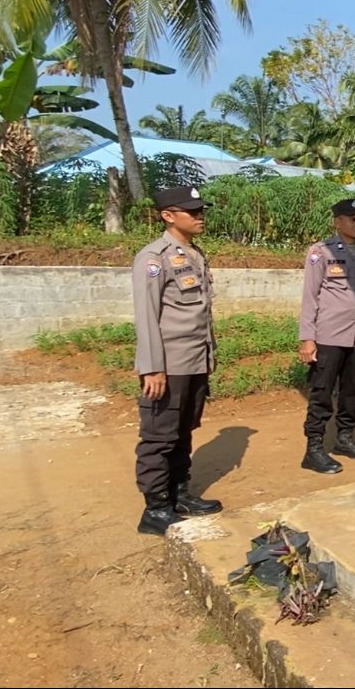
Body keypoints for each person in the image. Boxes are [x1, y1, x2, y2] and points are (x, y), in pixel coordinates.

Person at [132, 185, 223, 536]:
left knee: (184, 431)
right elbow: (147, 315)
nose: (200, 216)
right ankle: (155, 509)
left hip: (194, 360)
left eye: (201, 211)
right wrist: (152, 367)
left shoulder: (195, 254)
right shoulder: (154, 258)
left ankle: (179, 494)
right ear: (168, 216)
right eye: (192, 212)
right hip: (168, 365)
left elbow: (202, 314)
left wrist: (209, 353)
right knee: (159, 437)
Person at [298, 198, 355, 475]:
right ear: (337, 222)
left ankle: (345, 439)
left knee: (351, 391)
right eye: (352, 218)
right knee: (322, 392)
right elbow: (310, 297)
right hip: (328, 336)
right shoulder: (320, 252)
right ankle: (313, 449)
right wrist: (307, 338)